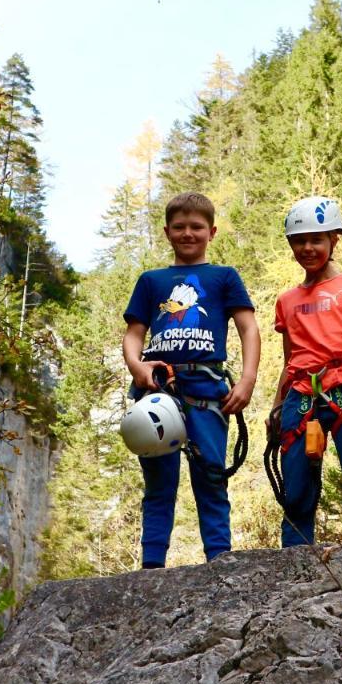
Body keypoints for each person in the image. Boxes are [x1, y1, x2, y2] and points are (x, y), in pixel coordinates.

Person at [122, 192, 260, 569]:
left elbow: (248, 328)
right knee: (158, 482)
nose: (188, 233)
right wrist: (137, 366)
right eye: (179, 227)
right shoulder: (151, 281)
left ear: (211, 231)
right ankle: (152, 566)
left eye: (196, 227)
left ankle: (219, 560)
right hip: (157, 387)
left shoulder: (224, 277)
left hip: (207, 390)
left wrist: (246, 382)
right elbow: (135, 332)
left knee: (212, 476)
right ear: (167, 231)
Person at [266, 196, 342, 551]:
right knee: (297, 489)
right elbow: (290, 359)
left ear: (334, 239)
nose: (307, 248)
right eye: (299, 241)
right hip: (300, 396)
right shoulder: (287, 300)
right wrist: (276, 407)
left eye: (316, 239)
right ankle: (294, 562)